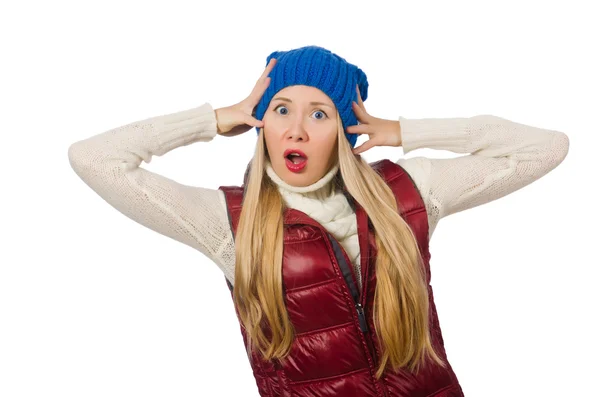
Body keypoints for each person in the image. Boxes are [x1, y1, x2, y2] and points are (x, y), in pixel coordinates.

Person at [68, 45, 570, 396]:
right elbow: (95, 159)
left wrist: (404, 130)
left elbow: (545, 149)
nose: (298, 130)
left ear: (345, 129)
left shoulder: (406, 195)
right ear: (261, 125)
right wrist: (214, 118)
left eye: (320, 114)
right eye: (281, 109)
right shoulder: (231, 224)